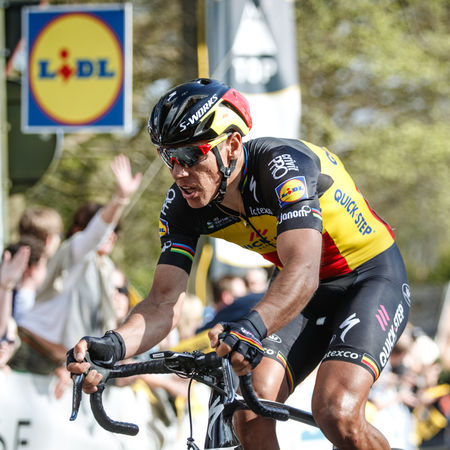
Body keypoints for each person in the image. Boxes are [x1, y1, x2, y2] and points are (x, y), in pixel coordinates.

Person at [67, 78, 410, 450]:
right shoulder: (183, 206)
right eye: (168, 157)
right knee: (247, 410)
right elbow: (163, 302)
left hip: (369, 277)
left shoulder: (282, 166)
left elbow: (303, 270)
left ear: (231, 145)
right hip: (304, 294)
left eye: (189, 155)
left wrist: (251, 328)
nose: (178, 171)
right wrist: (115, 345)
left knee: (336, 412)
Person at [11, 154, 141, 376]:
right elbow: (95, 233)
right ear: (80, 229)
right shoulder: (75, 253)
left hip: (55, 361)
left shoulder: (106, 268)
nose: (111, 234)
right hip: (29, 350)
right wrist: (120, 198)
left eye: (116, 230)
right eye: (108, 227)